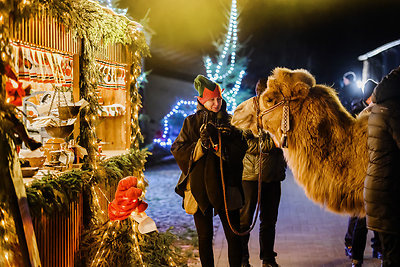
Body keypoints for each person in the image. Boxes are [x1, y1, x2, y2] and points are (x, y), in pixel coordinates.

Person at [171, 74, 247, 267]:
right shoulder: (190, 123)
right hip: (199, 189)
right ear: (201, 100)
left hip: (227, 187)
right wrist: (200, 147)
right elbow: (178, 148)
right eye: (211, 99)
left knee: (234, 237)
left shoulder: (231, 122)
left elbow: (240, 151)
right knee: (204, 238)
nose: (216, 103)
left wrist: (217, 145)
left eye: (219, 99)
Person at [239, 78, 286, 267]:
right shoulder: (247, 110)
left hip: (273, 175)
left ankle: (268, 258)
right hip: (251, 176)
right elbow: (244, 141)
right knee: (245, 221)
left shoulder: (280, 111)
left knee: (269, 220)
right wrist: (272, 143)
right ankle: (243, 260)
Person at [344, 79, 382, 267]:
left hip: (375, 169)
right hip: (359, 171)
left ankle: (377, 247)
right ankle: (354, 251)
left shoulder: (379, 111)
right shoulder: (357, 112)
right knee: (359, 215)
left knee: (377, 214)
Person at [364, 66, 400, 267]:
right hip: (389, 193)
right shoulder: (394, 111)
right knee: (393, 257)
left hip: (377, 191)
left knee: (389, 255)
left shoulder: (378, 109)